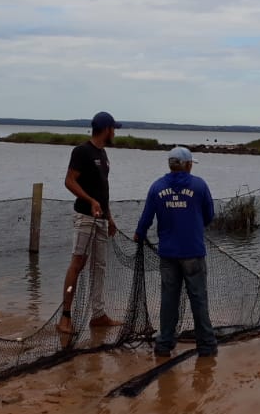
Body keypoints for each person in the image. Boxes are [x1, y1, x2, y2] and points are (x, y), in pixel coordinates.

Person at [135, 147, 217, 358]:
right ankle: (206, 346)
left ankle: (164, 344)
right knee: (198, 299)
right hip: (193, 251)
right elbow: (209, 215)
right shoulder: (199, 185)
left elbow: (146, 219)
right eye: (191, 163)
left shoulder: (157, 187)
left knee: (169, 300)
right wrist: (194, 226)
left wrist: (139, 233)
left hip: (168, 253)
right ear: (187, 165)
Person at [57, 111, 122, 335]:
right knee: (78, 264)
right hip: (85, 217)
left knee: (99, 267)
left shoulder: (103, 154)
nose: (115, 132)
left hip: (102, 220)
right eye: (114, 128)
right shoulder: (82, 151)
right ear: (106, 129)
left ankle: (98, 315)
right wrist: (90, 200)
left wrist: (110, 217)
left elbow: (103, 190)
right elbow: (69, 181)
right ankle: (65, 317)